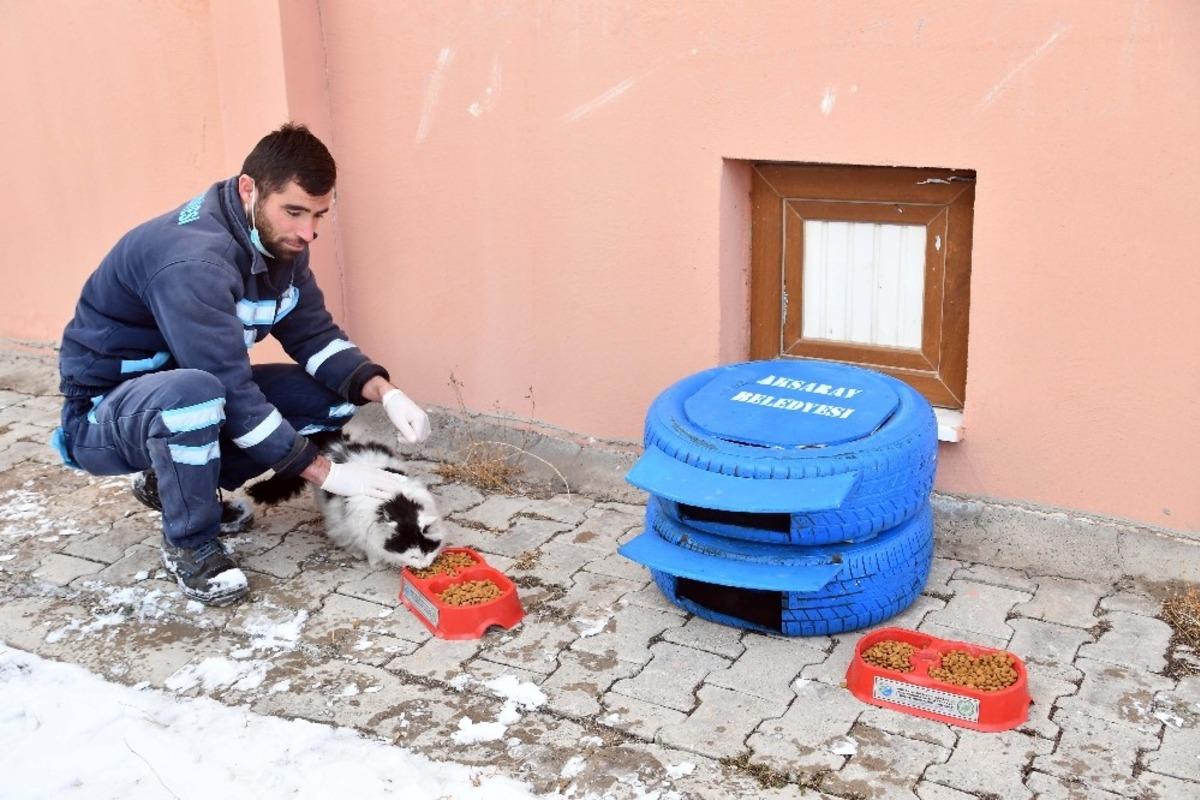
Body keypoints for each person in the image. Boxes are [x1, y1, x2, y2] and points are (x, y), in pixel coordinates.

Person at [51, 123, 430, 607]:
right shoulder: (195, 262)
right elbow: (229, 389)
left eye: (319, 215)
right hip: (104, 415)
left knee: (331, 399)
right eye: (294, 211)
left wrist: (384, 391)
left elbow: (313, 335)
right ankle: (190, 540)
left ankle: (174, 482)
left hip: (184, 395)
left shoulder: (277, 242)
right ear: (249, 188)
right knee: (196, 395)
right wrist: (324, 472)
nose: (308, 231)